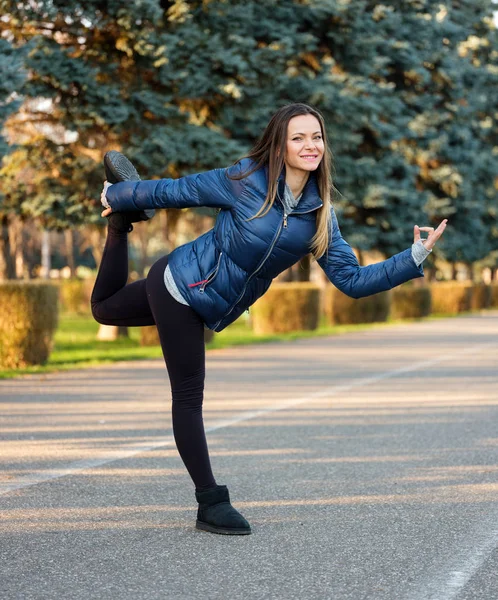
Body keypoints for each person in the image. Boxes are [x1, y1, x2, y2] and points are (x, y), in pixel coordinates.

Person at [92, 102, 447, 536]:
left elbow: (352, 280)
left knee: (103, 308)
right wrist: (116, 195)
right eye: (298, 137)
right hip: (181, 285)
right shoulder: (243, 181)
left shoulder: (320, 215)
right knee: (188, 396)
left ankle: (117, 228)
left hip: (207, 300)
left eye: (316, 137)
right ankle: (211, 502)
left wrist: (414, 256)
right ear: (279, 145)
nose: (310, 145)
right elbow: (173, 191)